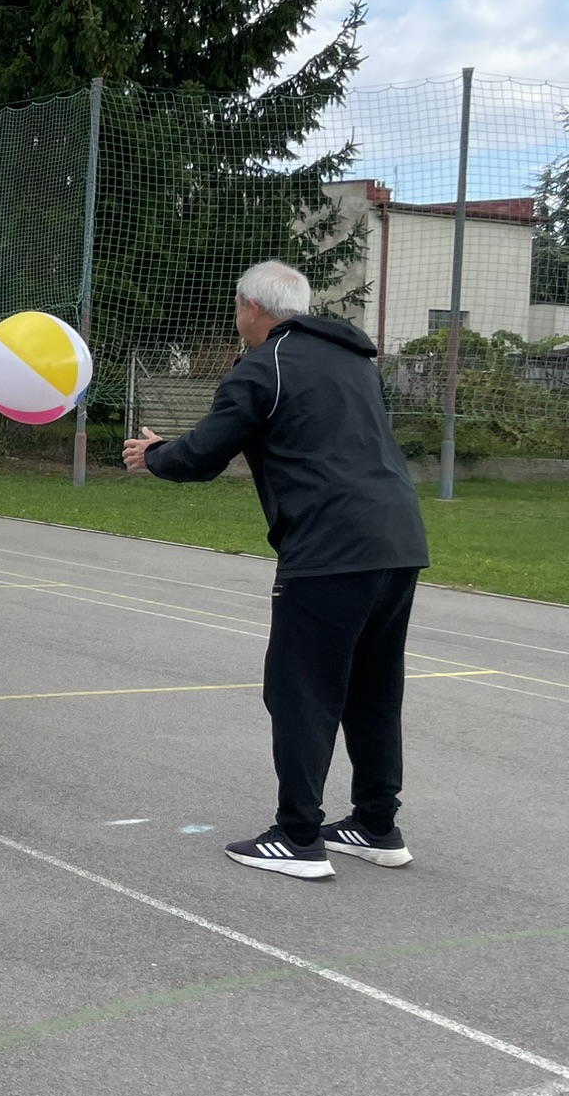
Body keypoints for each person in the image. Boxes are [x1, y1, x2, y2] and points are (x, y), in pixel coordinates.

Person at [123, 260, 430, 880]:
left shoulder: (265, 365)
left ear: (251, 309)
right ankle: (377, 824)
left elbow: (204, 455)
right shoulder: (357, 362)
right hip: (398, 541)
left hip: (329, 548)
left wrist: (154, 454)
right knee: (372, 690)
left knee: (301, 690)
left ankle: (298, 835)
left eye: (237, 308)